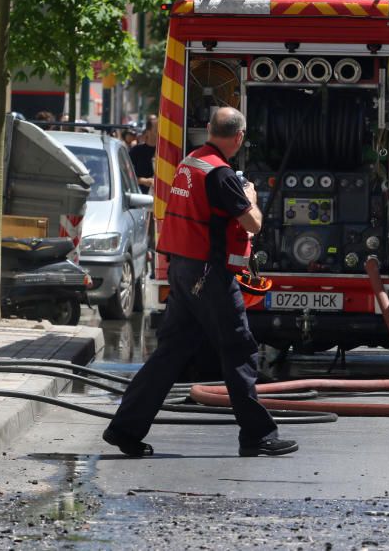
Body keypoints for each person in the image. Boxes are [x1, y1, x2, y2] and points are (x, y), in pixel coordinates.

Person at [103, 107, 298, 458]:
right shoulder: (221, 175)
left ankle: (125, 429)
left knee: (170, 353)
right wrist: (251, 196)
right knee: (239, 349)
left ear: (209, 130)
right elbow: (252, 224)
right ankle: (257, 435)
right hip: (210, 275)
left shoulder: (190, 163)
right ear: (237, 138)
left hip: (182, 269)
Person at [129, 114, 158, 194]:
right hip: (139, 196)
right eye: (156, 130)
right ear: (148, 132)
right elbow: (127, 176)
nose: (160, 133)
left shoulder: (165, 153)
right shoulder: (136, 151)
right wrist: (144, 181)